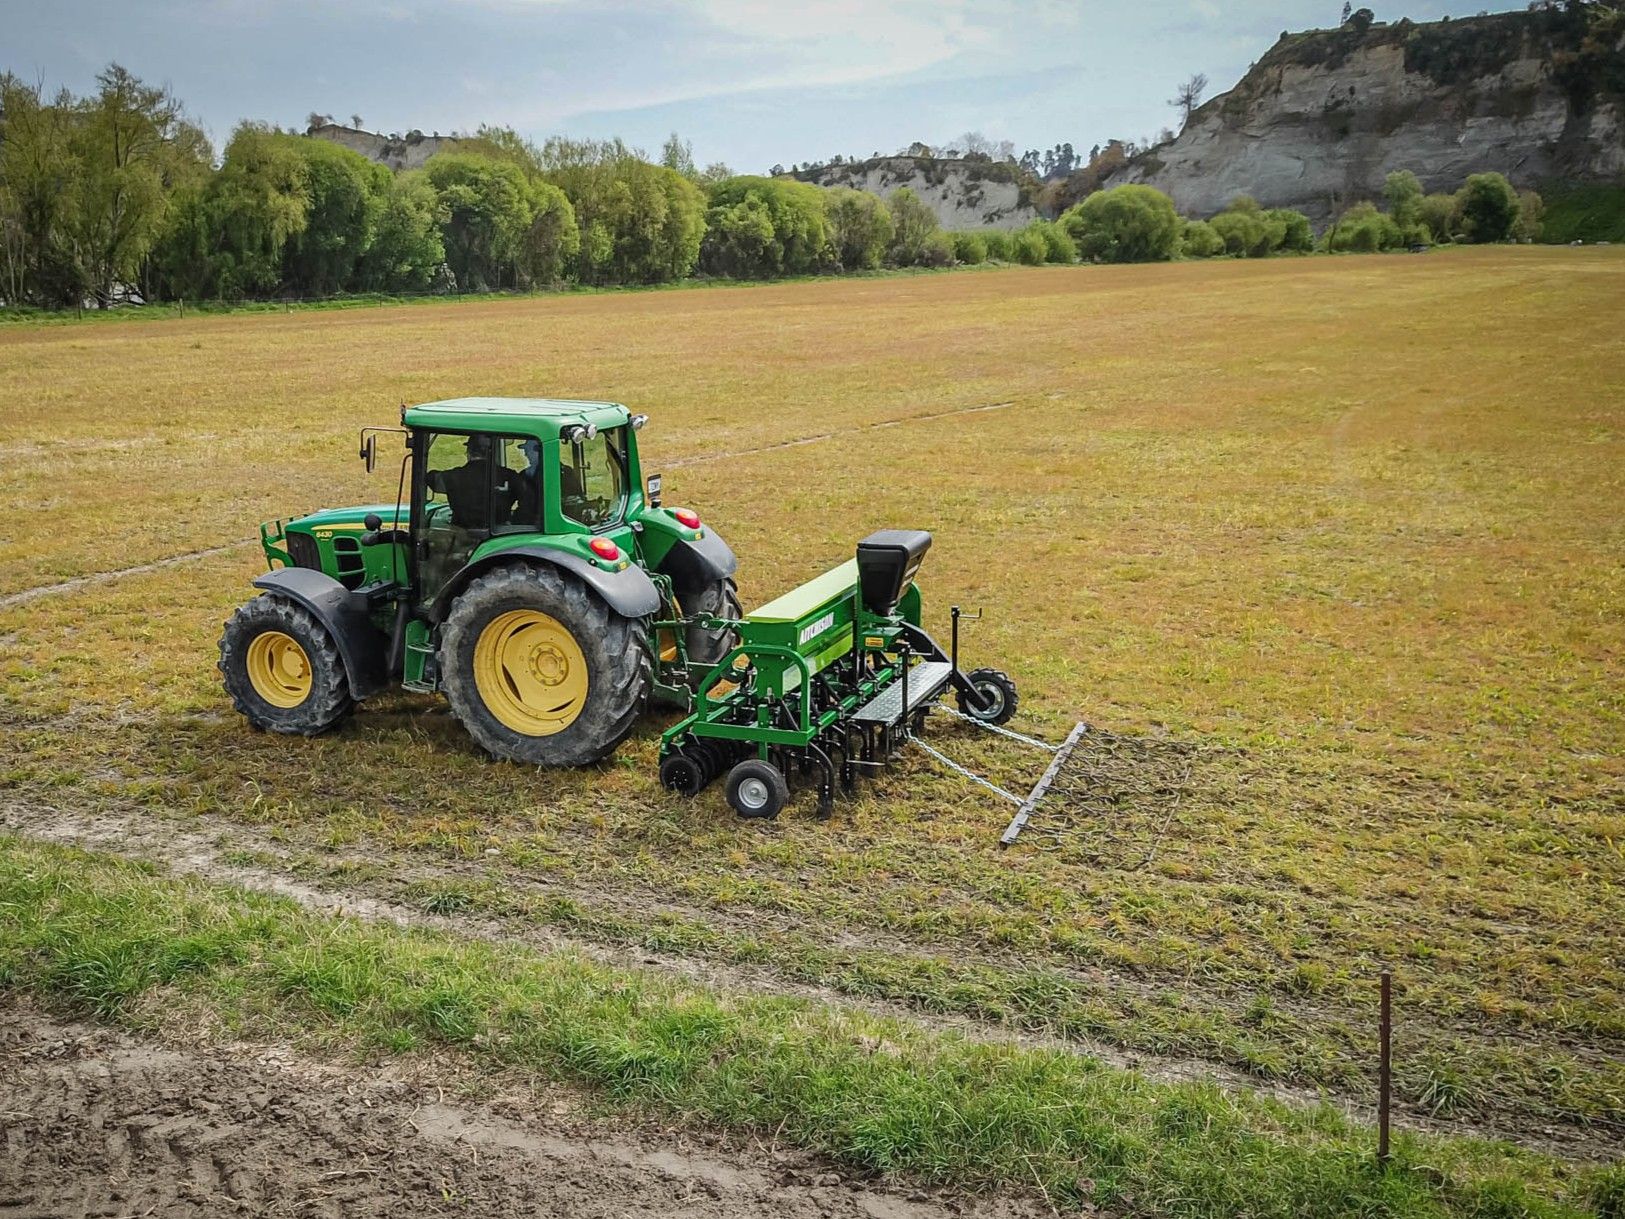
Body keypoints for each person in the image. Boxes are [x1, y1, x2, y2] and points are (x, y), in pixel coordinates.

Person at [427, 434, 521, 529]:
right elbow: (527, 498)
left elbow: (432, 480)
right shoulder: (510, 476)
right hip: (500, 534)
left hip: (462, 534)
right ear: (492, 453)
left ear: (469, 452)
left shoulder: (453, 476)